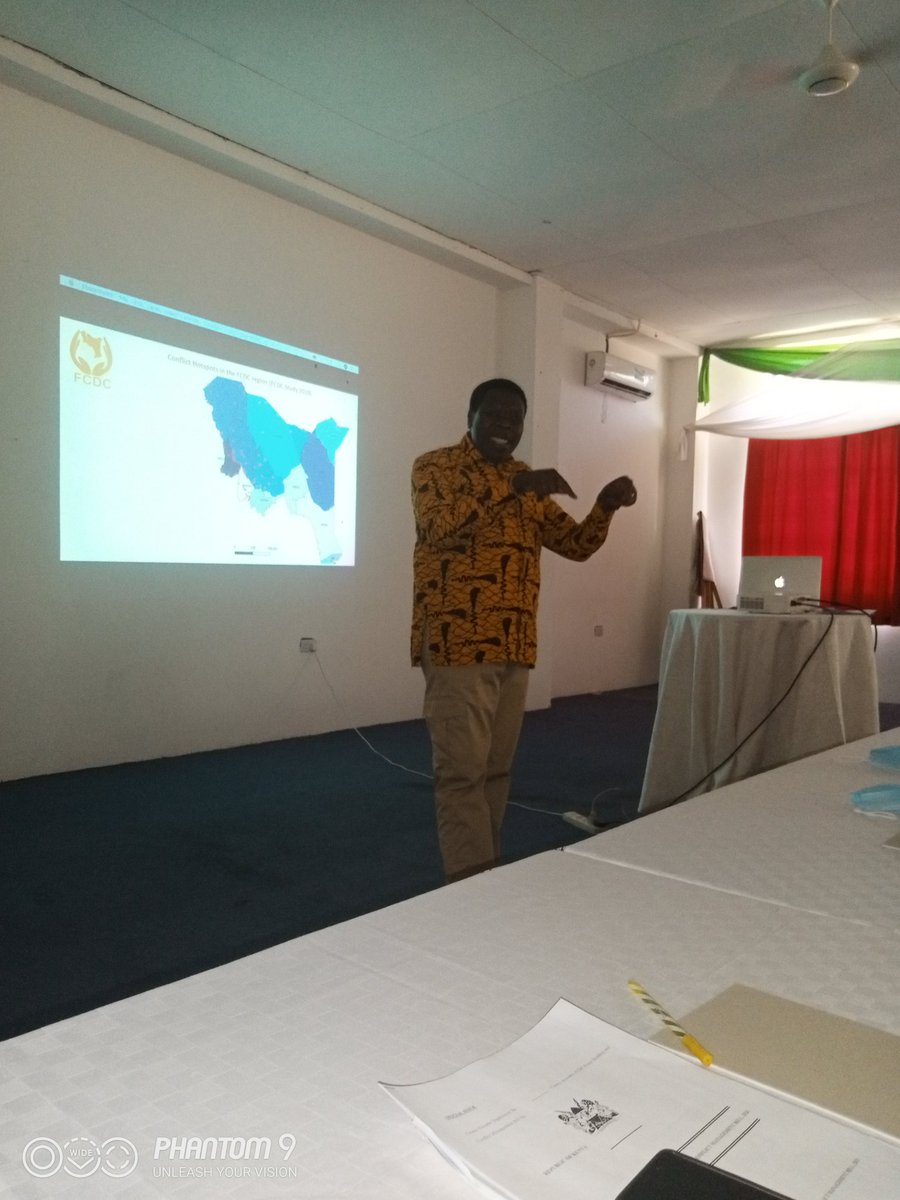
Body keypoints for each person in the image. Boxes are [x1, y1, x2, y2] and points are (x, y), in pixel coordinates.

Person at [411, 377, 637, 882]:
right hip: (457, 644)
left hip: (513, 645)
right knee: (462, 774)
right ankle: (467, 887)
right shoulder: (436, 467)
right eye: (493, 416)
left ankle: (486, 872)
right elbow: (438, 528)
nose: (504, 428)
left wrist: (604, 507)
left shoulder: (526, 482)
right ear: (470, 416)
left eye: (514, 420)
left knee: (494, 772)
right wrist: (508, 487)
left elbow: (575, 545)